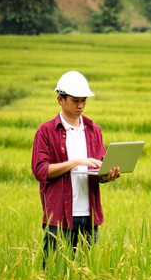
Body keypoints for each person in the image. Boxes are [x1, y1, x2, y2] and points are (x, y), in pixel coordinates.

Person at [31, 71, 120, 265]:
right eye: (75, 100)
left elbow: (99, 173)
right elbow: (41, 171)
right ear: (60, 100)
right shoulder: (46, 131)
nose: (80, 106)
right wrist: (76, 162)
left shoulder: (93, 130)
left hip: (89, 217)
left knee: (84, 278)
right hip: (58, 219)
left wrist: (108, 175)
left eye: (84, 101)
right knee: (53, 276)